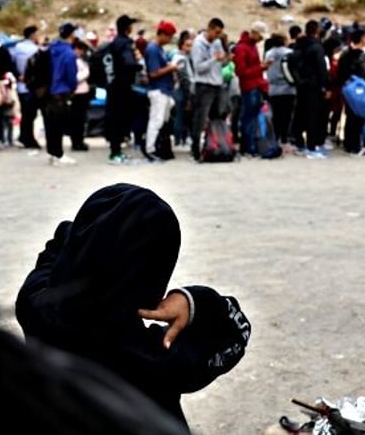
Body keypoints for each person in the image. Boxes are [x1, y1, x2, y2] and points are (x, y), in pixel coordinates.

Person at [15, 183, 251, 429]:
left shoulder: (35, 305)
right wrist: (194, 301)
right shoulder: (156, 358)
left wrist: (91, 232)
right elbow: (235, 334)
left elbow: (54, 252)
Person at [106, 15, 143, 164]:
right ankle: (116, 153)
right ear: (127, 28)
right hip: (122, 87)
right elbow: (128, 63)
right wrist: (139, 66)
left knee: (114, 118)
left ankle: (116, 150)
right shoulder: (126, 43)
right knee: (120, 119)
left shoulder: (114, 42)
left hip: (113, 85)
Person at [190, 18, 227, 161]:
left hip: (217, 83)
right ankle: (196, 150)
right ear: (209, 28)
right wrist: (214, 60)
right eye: (216, 32)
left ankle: (213, 145)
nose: (217, 36)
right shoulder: (198, 44)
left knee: (216, 117)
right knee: (200, 118)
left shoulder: (217, 42)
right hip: (204, 85)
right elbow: (198, 68)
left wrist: (225, 58)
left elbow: (222, 61)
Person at [336, 25, 365, 156]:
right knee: (358, 118)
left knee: (350, 117)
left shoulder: (344, 54)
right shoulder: (361, 56)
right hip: (359, 90)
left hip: (346, 89)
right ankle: (356, 146)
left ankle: (349, 145)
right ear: (363, 38)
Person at [292, 20, 329, 159]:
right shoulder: (316, 47)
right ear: (317, 30)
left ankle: (299, 143)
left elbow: (292, 63)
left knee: (300, 114)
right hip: (314, 85)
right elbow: (321, 67)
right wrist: (326, 85)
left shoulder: (298, 45)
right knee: (313, 116)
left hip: (301, 84)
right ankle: (312, 146)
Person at [144, 21, 179, 162]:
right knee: (156, 121)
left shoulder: (159, 49)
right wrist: (170, 68)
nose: (170, 40)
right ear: (162, 35)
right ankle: (150, 148)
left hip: (164, 90)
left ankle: (159, 147)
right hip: (158, 90)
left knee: (162, 121)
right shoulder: (153, 49)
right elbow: (153, 73)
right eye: (169, 37)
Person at [43, 23, 78, 166]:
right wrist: (72, 88)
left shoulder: (51, 49)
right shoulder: (69, 53)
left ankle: (52, 153)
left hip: (48, 92)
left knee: (50, 125)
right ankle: (59, 154)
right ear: (71, 35)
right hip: (61, 92)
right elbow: (71, 75)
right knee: (59, 126)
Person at [233, 21, 269, 157]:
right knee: (248, 117)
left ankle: (251, 145)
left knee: (252, 117)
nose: (261, 39)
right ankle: (247, 146)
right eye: (260, 36)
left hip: (255, 84)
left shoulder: (252, 47)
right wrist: (260, 68)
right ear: (254, 33)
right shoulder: (242, 48)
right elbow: (241, 71)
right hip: (249, 86)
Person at [12, 25, 42, 150]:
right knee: (30, 114)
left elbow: (12, 64)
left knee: (26, 113)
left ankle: (24, 136)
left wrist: (18, 75)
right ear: (33, 35)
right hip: (30, 86)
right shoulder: (34, 50)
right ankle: (27, 138)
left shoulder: (16, 48)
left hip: (20, 85)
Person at [264, 33, 295, 148]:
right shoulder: (289, 53)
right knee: (286, 115)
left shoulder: (268, 54)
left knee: (275, 115)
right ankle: (284, 139)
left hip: (273, 88)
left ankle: (275, 138)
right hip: (288, 88)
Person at [171, 31, 195, 149]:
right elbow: (184, 78)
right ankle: (178, 140)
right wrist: (189, 94)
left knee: (184, 116)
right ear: (181, 45)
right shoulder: (180, 58)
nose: (190, 48)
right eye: (187, 45)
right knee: (180, 115)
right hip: (181, 90)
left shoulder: (185, 57)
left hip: (184, 90)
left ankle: (183, 138)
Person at [69, 41, 91, 152]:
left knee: (81, 119)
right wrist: (86, 73)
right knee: (77, 119)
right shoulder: (74, 61)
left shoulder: (81, 61)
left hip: (83, 92)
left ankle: (79, 140)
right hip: (77, 93)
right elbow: (74, 77)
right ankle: (76, 141)